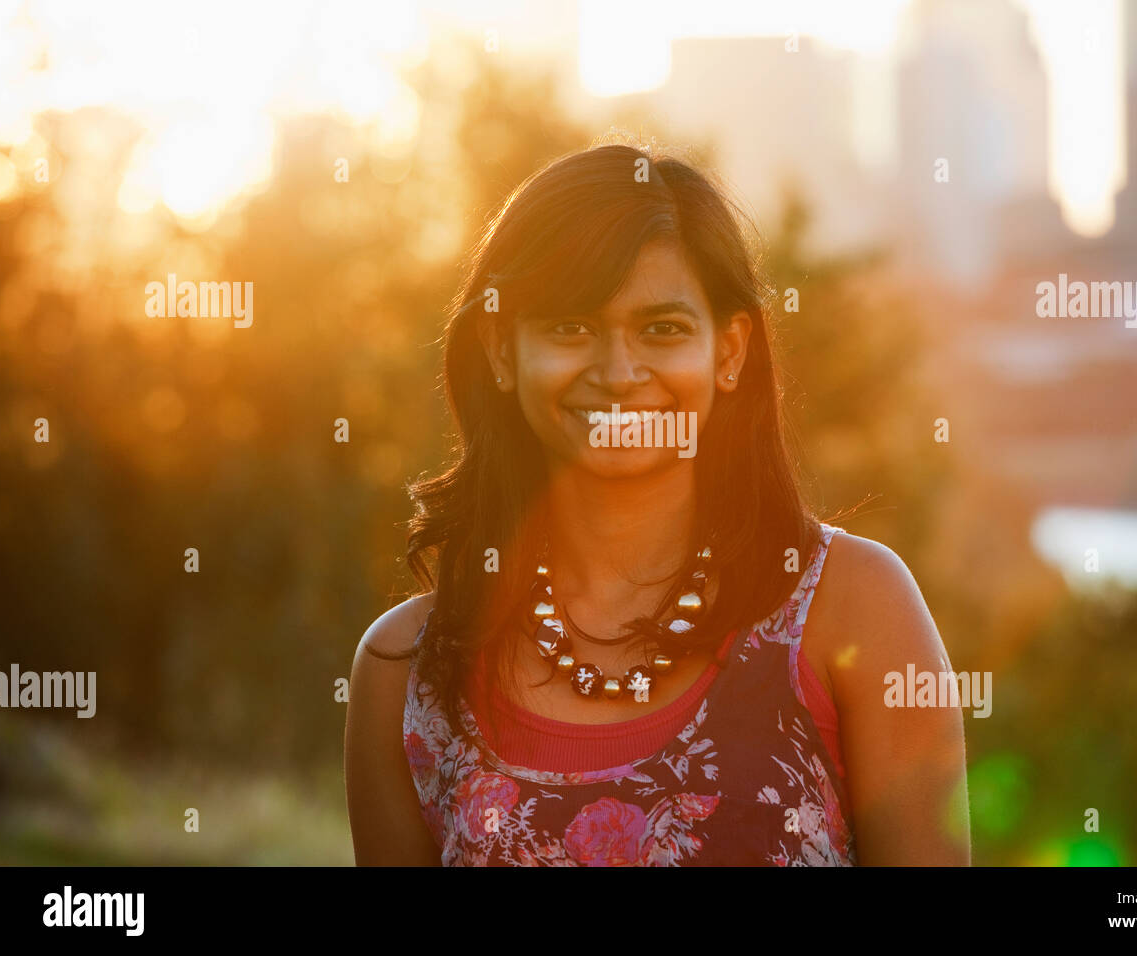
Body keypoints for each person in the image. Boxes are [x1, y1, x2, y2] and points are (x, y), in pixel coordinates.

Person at [344, 140, 970, 866]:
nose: (617, 372)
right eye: (569, 326)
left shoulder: (854, 612)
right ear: (501, 352)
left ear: (729, 353)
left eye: (662, 329)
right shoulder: (406, 674)